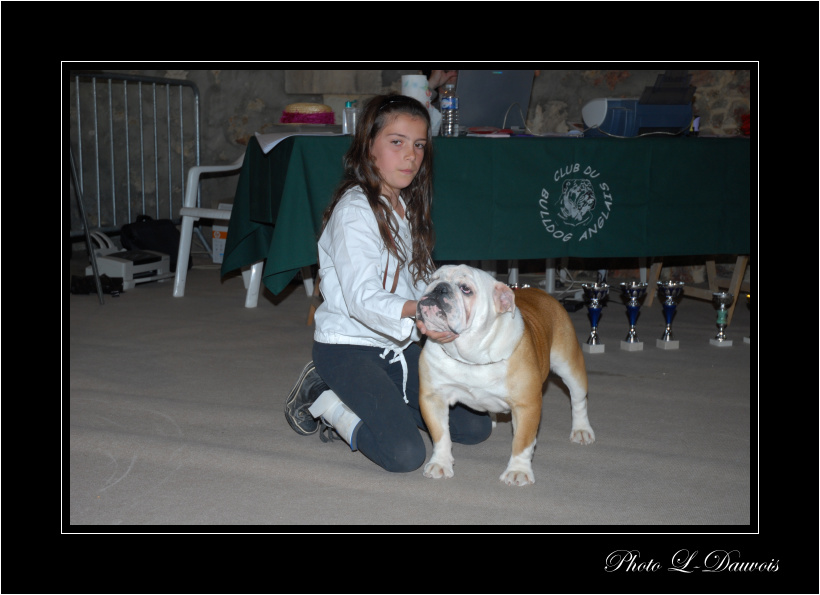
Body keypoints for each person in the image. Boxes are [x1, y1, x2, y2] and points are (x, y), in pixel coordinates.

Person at [284, 94, 492, 473]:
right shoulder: (354, 211)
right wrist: (419, 310)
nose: (410, 155)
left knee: (474, 427)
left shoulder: (405, 205)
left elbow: (420, 278)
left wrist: (453, 309)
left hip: (398, 344)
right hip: (349, 349)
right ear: (369, 147)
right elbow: (362, 298)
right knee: (405, 454)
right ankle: (327, 399)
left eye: (419, 145)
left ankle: (385, 400)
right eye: (397, 142)